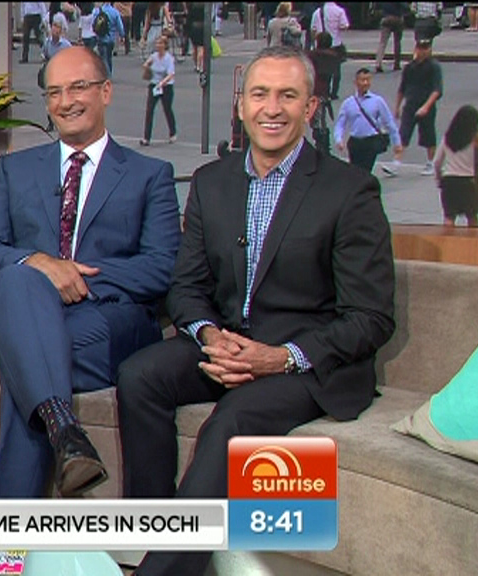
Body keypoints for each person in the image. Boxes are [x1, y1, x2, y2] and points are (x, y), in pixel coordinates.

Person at [117, 45, 395, 576]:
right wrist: (209, 336)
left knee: (233, 419)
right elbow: (186, 286)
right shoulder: (211, 182)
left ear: (310, 108)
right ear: (241, 105)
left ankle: (166, 570)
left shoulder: (350, 191)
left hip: (306, 363)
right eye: (260, 94)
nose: (272, 108)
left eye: (288, 96)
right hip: (228, 344)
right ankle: (150, 536)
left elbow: (371, 317)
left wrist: (280, 357)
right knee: (139, 376)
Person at [0, 46, 181, 498]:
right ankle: (65, 429)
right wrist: (41, 264)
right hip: (26, 314)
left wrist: (75, 277)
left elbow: (161, 267)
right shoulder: (14, 170)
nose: (66, 102)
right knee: (19, 277)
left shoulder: (150, 174)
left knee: (25, 360)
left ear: (106, 92)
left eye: (78, 87)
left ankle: (6, 532)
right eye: (54, 92)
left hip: (106, 323)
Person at [334, 68, 403, 174]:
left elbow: (389, 122)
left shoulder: (377, 101)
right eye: (362, 80)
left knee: (365, 172)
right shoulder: (348, 103)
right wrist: (339, 139)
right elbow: (340, 124)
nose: (365, 83)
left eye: (368, 80)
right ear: (356, 82)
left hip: (371, 141)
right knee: (355, 171)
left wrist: (397, 142)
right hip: (355, 142)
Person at [434, 105, 478, 227]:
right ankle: (473, 239)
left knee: (449, 217)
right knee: (472, 217)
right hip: (469, 183)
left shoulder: (448, 137)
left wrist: (438, 179)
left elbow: (437, 162)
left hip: (449, 182)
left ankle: (447, 238)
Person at [395, 38, 442, 175]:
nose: (423, 51)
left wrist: (426, 106)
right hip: (410, 104)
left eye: (426, 48)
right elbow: (402, 88)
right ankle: (396, 162)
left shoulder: (433, 67)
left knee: (428, 135)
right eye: (421, 48)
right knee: (403, 133)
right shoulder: (409, 68)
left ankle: (431, 162)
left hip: (426, 105)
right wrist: (397, 107)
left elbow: (437, 90)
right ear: (416, 49)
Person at [139, 35, 177, 146]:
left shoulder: (169, 58)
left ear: (165, 45)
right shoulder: (154, 56)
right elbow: (146, 64)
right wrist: (146, 66)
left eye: (160, 43)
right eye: (157, 43)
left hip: (166, 86)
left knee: (167, 109)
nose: (158, 45)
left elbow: (171, 74)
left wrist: (162, 83)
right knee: (149, 110)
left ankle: (173, 132)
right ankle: (146, 138)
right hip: (154, 85)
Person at [310, 2, 349, 98]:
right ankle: (334, 92)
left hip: (321, 44)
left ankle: (325, 90)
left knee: (322, 70)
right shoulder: (339, 11)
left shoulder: (318, 12)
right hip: (335, 43)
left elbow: (313, 29)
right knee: (336, 70)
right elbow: (344, 25)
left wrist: (313, 43)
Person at [375, 2, 409, 72]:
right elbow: (405, 6)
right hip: (397, 18)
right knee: (397, 42)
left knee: (382, 42)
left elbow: (378, 6)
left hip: (386, 18)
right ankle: (397, 64)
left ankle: (378, 63)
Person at [92, 2, 125, 75]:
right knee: (109, 57)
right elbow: (120, 26)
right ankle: (109, 72)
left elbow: (93, 24)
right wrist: (122, 35)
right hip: (111, 39)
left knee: (103, 57)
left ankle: (107, 74)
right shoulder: (115, 12)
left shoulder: (97, 11)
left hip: (101, 38)